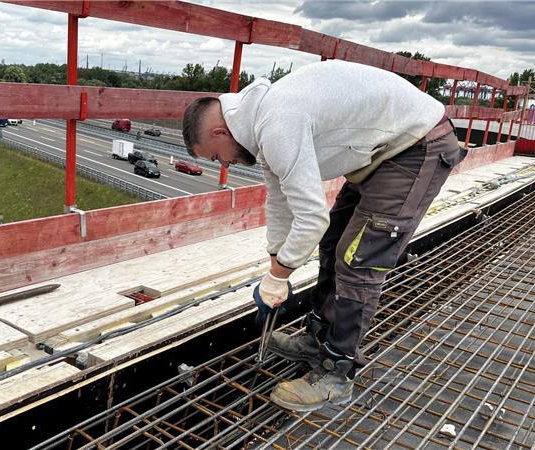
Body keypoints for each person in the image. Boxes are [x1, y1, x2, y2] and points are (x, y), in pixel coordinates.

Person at [181, 60, 465, 411]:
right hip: (386, 153)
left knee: (357, 258)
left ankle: (337, 373)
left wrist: (280, 275)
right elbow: (281, 203)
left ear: (220, 133)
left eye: (215, 157)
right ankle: (320, 340)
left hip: (417, 147)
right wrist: (275, 265)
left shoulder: (277, 123)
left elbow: (311, 217)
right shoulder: (263, 124)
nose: (223, 165)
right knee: (334, 242)